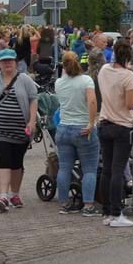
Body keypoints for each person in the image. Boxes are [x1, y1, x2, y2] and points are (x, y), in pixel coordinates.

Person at [0, 49, 38, 212]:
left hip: (21, 130)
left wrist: (32, 121)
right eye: (4, 61)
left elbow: (33, 100)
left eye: (10, 60)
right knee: (3, 160)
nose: (7, 63)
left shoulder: (25, 80)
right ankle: (3, 196)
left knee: (17, 163)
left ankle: (14, 194)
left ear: (15, 62)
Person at [55, 51, 100, 216]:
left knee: (64, 168)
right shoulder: (86, 80)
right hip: (82, 128)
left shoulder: (59, 83)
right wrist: (91, 123)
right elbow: (92, 101)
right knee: (89, 169)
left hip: (63, 128)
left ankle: (64, 203)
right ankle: (88, 205)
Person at [98, 40, 133, 227]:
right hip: (122, 126)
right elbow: (130, 104)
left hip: (105, 122)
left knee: (106, 169)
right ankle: (116, 213)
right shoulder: (129, 76)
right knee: (118, 170)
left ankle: (106, 211)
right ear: (128, 56)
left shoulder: (104, 70)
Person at [88, 33, 107, 110]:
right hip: (96, 79)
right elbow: (102, 68)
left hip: (94, 78)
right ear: (96, 42)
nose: (106, 44)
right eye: (104, 42)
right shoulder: (98, 53)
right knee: (98, 102)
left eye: (106, 42)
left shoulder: (95, 51)